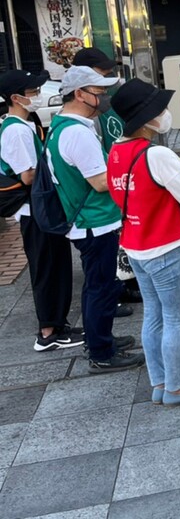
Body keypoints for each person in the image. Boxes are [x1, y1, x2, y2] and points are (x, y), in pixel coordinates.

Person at [107, 79, 180, 405]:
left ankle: (161, 381)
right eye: (161, 109)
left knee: (153, 315)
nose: (165, 114)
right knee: (177, 318)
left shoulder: (115, 151)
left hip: (137, 245)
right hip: (169, 245)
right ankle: (177, 386)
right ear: (147, 119)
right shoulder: (157, 155)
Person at [48, 66, 145, 373]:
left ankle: (100, 339)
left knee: (98, 286)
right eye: (99, 92)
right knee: (101, 288)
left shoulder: (62, 126)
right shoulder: (77, 133)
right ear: (79, 94)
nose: (105, 97)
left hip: (87, 221)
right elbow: (101, 182)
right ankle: (102, 353)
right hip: (95, 221)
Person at [0, 70, 81, 352]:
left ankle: (58, 325)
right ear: (16, 98)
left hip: (40, 208)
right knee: (46, 268)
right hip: (34, 211)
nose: (37, 94)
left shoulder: (25, 123)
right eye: (32, 91)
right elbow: (27, 176)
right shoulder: (16, 130)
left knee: (56, 265)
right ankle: (48, 332)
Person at [72, 47, 123, 154]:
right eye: (103, 71)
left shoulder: (111, 99)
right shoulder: (84, 115)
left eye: (109, 70)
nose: (109, 74)